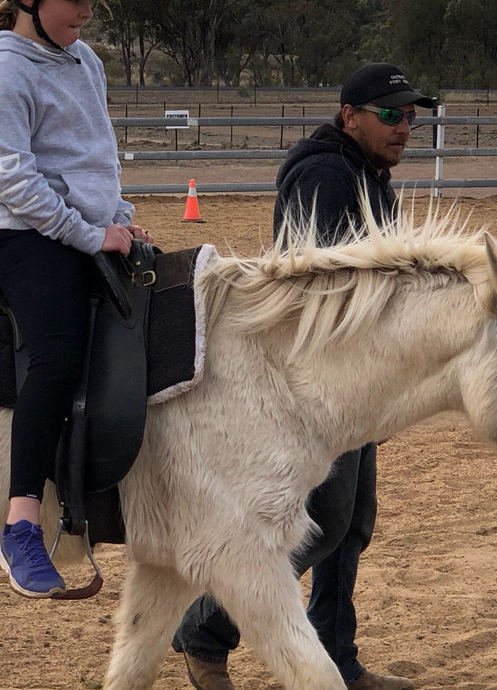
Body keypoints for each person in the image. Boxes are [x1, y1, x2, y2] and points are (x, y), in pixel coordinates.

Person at [172, 63, 427, 690]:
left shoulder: (363, 174)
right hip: (317, 385)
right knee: (326, 520)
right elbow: (322, 287)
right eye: (390, 114)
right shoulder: (326, 175)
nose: (405, 128)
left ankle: (337, 655)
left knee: (351, 524)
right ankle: (205, 629)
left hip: (358, 383)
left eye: (412, 116)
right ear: (350, 116)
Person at [0, 0, 152, 599]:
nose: (87, 9)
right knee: (55, 357)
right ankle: (21, 526)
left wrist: (118, 217)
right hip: (27, 235)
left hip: (92, 228)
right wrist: (84, 232)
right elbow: (12, 177)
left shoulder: (84, 59)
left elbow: (94, 156)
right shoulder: (3, 70)